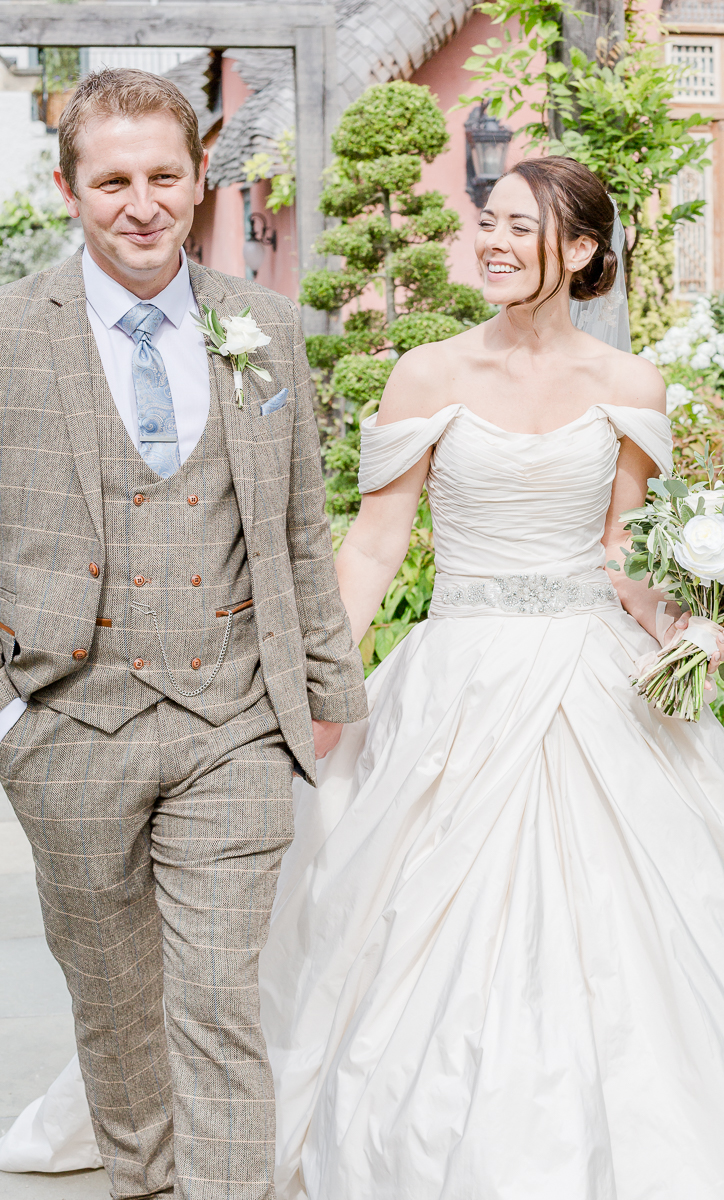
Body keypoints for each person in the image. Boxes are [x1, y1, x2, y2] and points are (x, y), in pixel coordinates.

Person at [259, 157, 724, 1198]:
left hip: (593, 677)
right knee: (409, 917)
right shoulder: (426, 373)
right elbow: (373, 548)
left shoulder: (629, 385)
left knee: (634, 925)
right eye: (486, 222)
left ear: (584, 249)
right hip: (455, 678)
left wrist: (697, 626)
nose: (492, 243)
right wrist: (323, 682)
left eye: (521, 227)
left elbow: (621, 555)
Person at [0, 67, 366, 1200]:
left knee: (214, 1000)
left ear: (201, 176)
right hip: (69, 718)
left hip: (232, 720)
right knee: (113, 1006)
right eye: (113, 181)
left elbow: (300, 522)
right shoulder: (13, 334)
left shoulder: (258, 327)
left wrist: (329, 695)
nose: (142, 203)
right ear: (71, 191)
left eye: (165, 175)